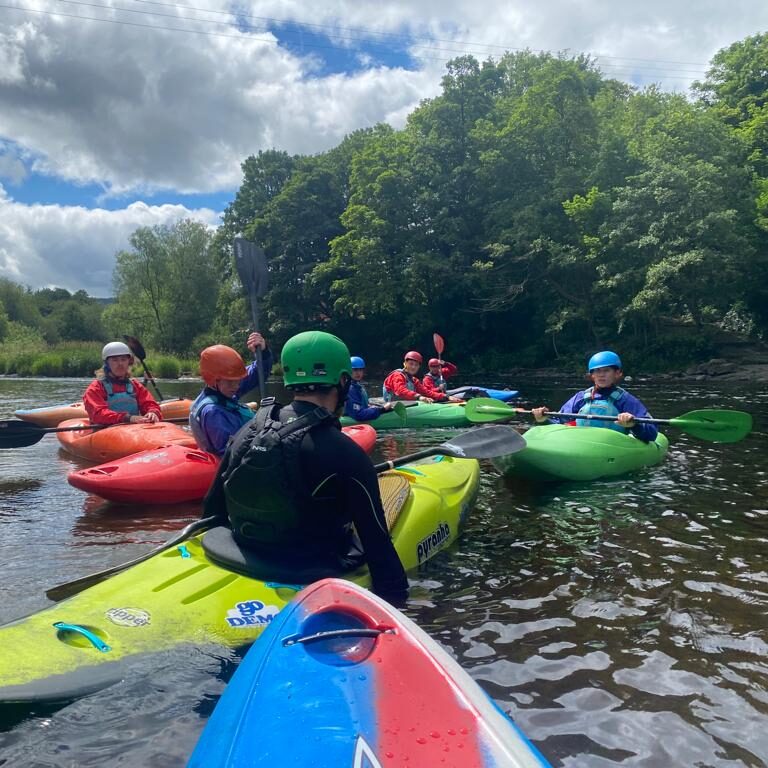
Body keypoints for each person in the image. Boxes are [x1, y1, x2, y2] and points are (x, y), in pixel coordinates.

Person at [203, 331, 409, 602]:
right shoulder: (347, 454)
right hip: (306, 567)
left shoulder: (247, 431)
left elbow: (211, 512)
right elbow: (378, 549)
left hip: (238, 554)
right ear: (344, 381)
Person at [531, 351, 658, 442]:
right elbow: (558, 422)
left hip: (613, 446)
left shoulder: (625, 400)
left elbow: (651, 433)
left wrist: (633, 424)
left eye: (606, 370)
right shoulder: (581, 397)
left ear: (617, 373)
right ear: (592, 375)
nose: (601, 375)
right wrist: (543, 419)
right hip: (581, 444)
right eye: (597, 371)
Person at [189, 332, 272, 456]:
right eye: (231, 382)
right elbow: (230, 454)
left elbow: (257, 374)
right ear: (213, 379)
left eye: (238, 381)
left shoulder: (224, 389)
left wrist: (263, 352)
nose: (236, 386)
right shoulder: (213, 412)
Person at [83, 341, 163, 426]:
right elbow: (98, 414)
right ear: (107, 363)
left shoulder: (135, 385)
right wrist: (127, 418)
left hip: (133, 431)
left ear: (129, 362)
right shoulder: (96, 388)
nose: (120, 364)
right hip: (106, 431)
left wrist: (153, 412)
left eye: (123, 359)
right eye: (115, 360)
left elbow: (149, 403)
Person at [382, 351, 462, 403]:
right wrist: (419, 397)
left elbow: (427, 392)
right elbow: (400, 391)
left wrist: (446, 397)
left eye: (416, 365)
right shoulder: (397, 375)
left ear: (419, 367)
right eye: (411, 364)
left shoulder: (414, 380)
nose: (413, 367)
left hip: (407, 404)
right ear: (405, 363)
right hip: (393, 405)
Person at [343, 355, 396, 421]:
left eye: (360, 370)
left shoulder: (358, 386)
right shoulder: (350, 389)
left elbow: (362, 407)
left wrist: (374, 408)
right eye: (355, 370)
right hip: (352, 419)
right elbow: (358, 415)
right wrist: (382, 409)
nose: (358, 373)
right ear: (348, 370)